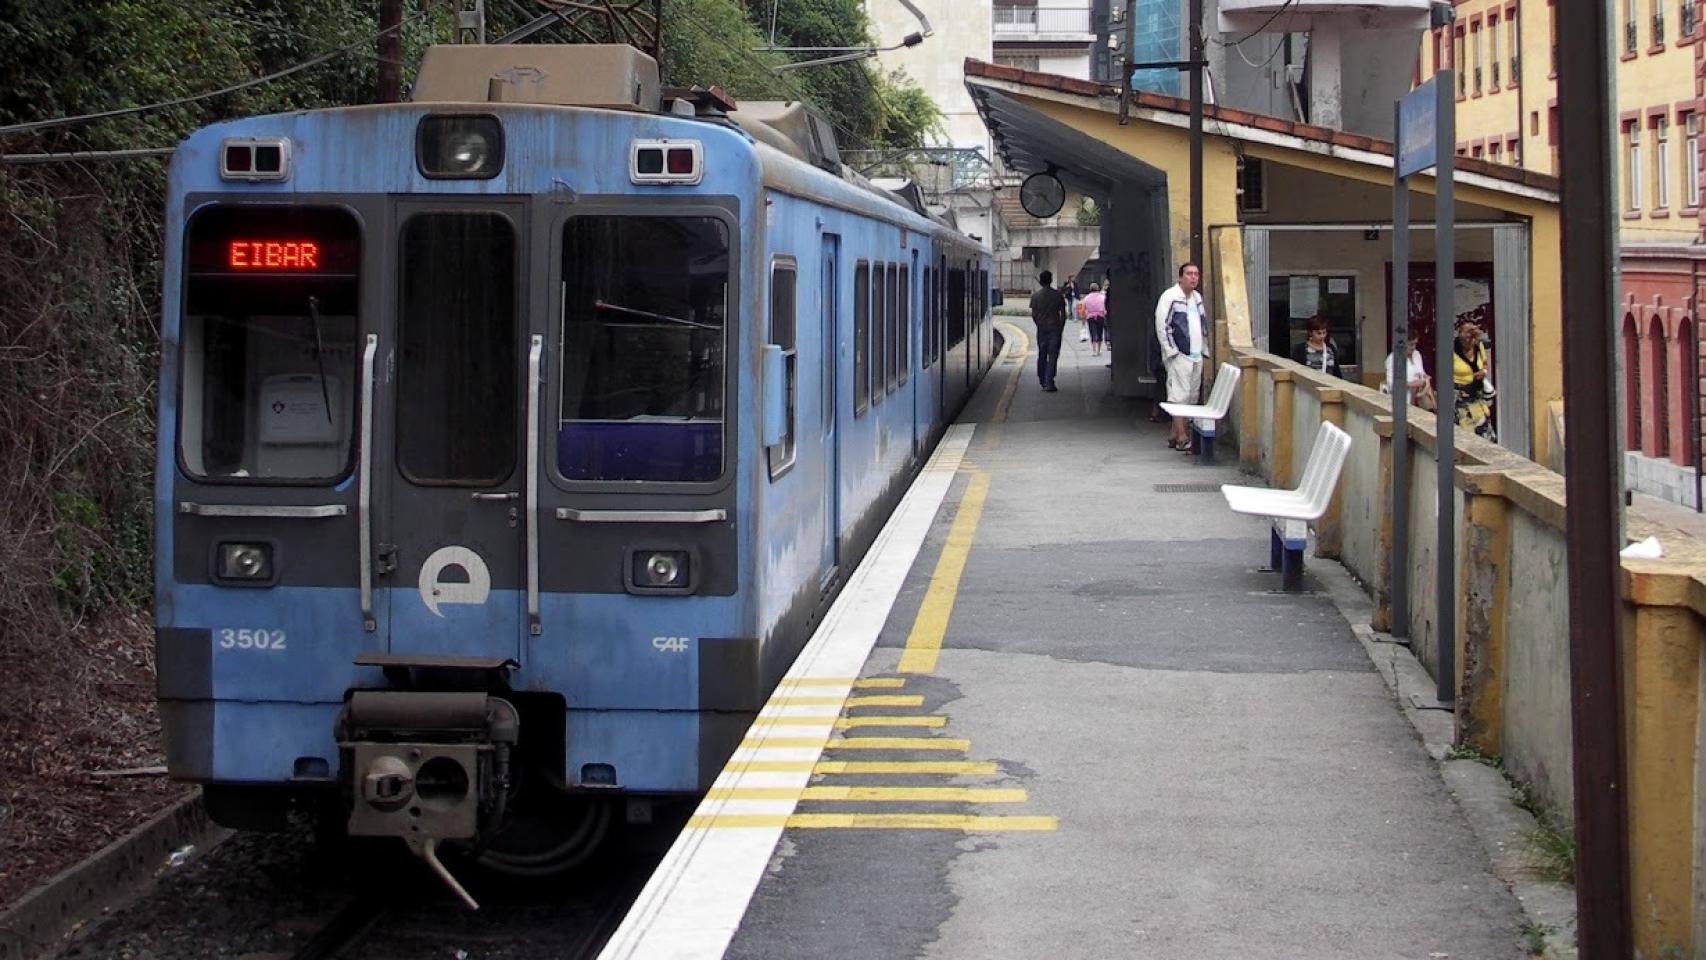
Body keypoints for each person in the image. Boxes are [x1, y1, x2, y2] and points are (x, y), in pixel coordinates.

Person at [1154, 262, 1208, 451]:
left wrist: (1203, 349)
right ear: (1180, 277)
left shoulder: (1197, 298)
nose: (1193, 277)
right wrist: (1172, 352)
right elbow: (1163, 326)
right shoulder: (1170, 297)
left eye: (1196, 274)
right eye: (1189, 274)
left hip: (1196, 354)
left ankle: (1174, 434)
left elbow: (1202, 325)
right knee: (1179, 396)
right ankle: (1183, 436)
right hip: (1180, 354)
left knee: (1191, 396)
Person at [1453, 317, 1496, 440]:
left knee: (1485, 433)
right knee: (1466, 435)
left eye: (1472, 338)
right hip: (1459, 397)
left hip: (1476, 395)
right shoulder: (1452, 349)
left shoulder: (1478, 346)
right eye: (1466, 336)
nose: (1469, 341)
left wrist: (1483, 371)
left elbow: (1484, 363)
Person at [1029, 270, 1068, 392]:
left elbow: (1034, 314)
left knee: (1042, 354)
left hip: (1042, 329)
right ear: (1051, 280)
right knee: (1053, 355)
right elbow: (1063, 314)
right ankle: (1049, 380)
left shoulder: (1035, 297)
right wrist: (1060, 327)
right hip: (1055, 328)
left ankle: (1042, 379)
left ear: (1040, 281)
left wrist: (1039, 324)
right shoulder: (1058, 295)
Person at [1383, 343, 1433, 410]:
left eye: (1415, 344)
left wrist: (1425, 377)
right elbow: (1392, 385)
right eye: (1410, 344)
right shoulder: (1393, 359)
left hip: (1418, 402)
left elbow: (1421, 372)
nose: (1413, 347)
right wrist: (1412, 384)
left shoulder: (1417, 354)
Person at [1082, 282, 1108, 355]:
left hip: (1090, 317)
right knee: (1100, 333)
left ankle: (1094, 350)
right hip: (1100, 316)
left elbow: (1084, 308)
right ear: (1098, 288)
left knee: (1092, 333)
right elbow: (1105, 307)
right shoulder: (1102, 297)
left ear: (1090, 289)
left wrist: (1083, 319)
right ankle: (1099, 350)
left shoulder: (1086, 298)